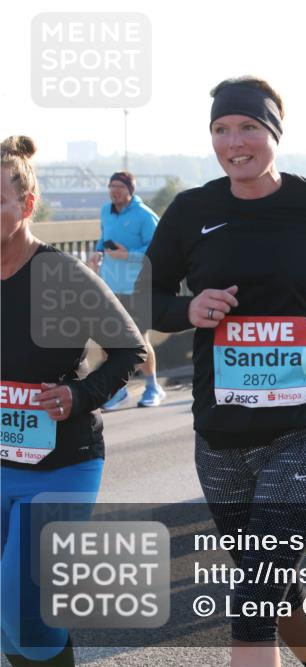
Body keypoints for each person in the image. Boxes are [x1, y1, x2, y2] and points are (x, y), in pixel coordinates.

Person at [142, 76, 306, 667]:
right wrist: (188, 310)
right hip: (221, 435)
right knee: (271, 577)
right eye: (221, 129)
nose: (234, 141)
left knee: (252, 594)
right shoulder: (192, 210)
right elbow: (145, 297)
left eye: (249, 126)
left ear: (275, 130)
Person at [2, 135, 146, 667]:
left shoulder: (58, 275)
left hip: (61, 463)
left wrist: (77, 394)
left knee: (24, 605)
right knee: (6, 622)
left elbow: (131, 348)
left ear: (26, 205)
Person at [86, 171, 165, 408]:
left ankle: (152, 387)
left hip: (137, 285)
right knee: (107, 339)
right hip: (110, 285)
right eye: (111, 187)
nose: (114, 191)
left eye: (120, 187)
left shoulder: (144, 216)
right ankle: (117, 390)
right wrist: (99, 251)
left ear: (130, 190)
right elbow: (104, 237)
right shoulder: (105, 211)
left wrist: (127, 255)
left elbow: (158, 250)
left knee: (139, 339)